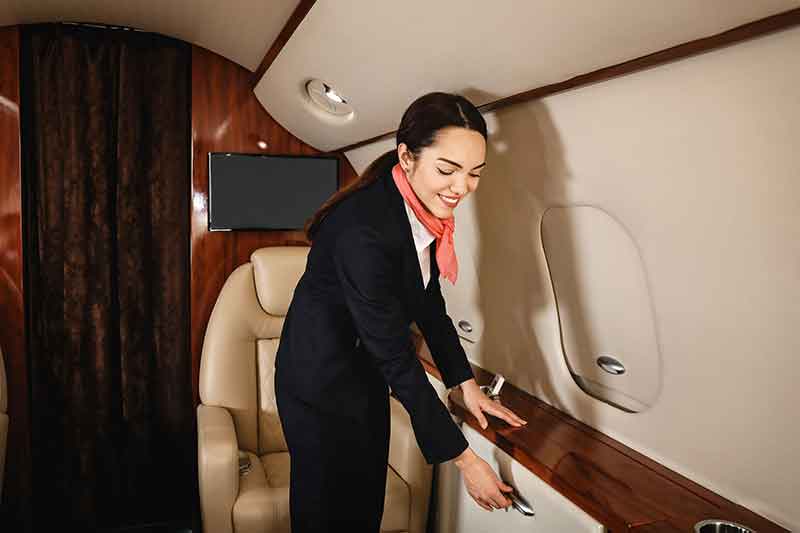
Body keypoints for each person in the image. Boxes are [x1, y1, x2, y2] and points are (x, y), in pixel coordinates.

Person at [274, 91, 527, 532]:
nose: (461, 187)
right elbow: (394, 352)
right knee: (325, 514)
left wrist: (465, 386)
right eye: (447, 170)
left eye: (474, 173)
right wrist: (466, 463)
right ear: (406, 157)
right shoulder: (363, 229)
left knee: (364, 505)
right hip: (317, 383)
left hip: (362, 373)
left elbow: (429, 305)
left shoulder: (420, 213)